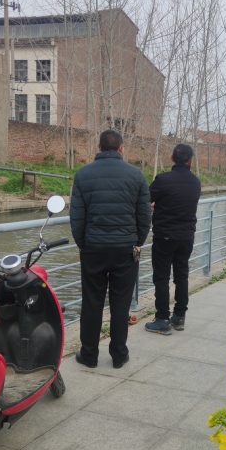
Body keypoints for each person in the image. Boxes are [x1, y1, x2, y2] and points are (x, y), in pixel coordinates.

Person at [70, 129, 151, 369]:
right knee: (120, 303)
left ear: (99, 147)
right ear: (122, 148)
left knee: (92, 302)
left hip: (93, 248)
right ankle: (118, 355)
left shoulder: (83, 175)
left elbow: (77, 218)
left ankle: (89, 355)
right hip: (125, 249)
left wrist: (83, 245)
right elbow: (144, 217)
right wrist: (138, 242)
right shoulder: (136, 175)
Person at [144, 144, 202, 335]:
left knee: (161, 277)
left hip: (165, 236)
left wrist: (154, 206)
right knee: (181, 276)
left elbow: (145, 199)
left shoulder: (163, 179)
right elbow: (182, 203)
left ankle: (162, 318)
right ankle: (179, 316)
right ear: (190, 161)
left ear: (171, 158)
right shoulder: (195, 182)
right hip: (186, 237)